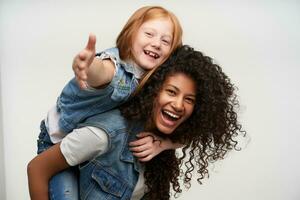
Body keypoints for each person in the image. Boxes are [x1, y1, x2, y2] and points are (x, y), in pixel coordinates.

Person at [27, 45, 246, 200]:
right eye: (171, 92)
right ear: (153, 90)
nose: (179, 105)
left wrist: (165, 144)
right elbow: (37, 169)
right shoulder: (105, 134)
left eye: (189, 100)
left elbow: (199, 132)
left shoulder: (162, 141)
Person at [34, 6, 183, 200]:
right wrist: (89, 67)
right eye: (149, 34)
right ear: (131, 33)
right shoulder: (119, 68)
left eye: (165, 41)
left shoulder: (155, 81)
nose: (156, 43)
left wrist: (164, 143)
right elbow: (103, 73)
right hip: (56, 139)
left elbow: (192, 128)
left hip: (87, 148)